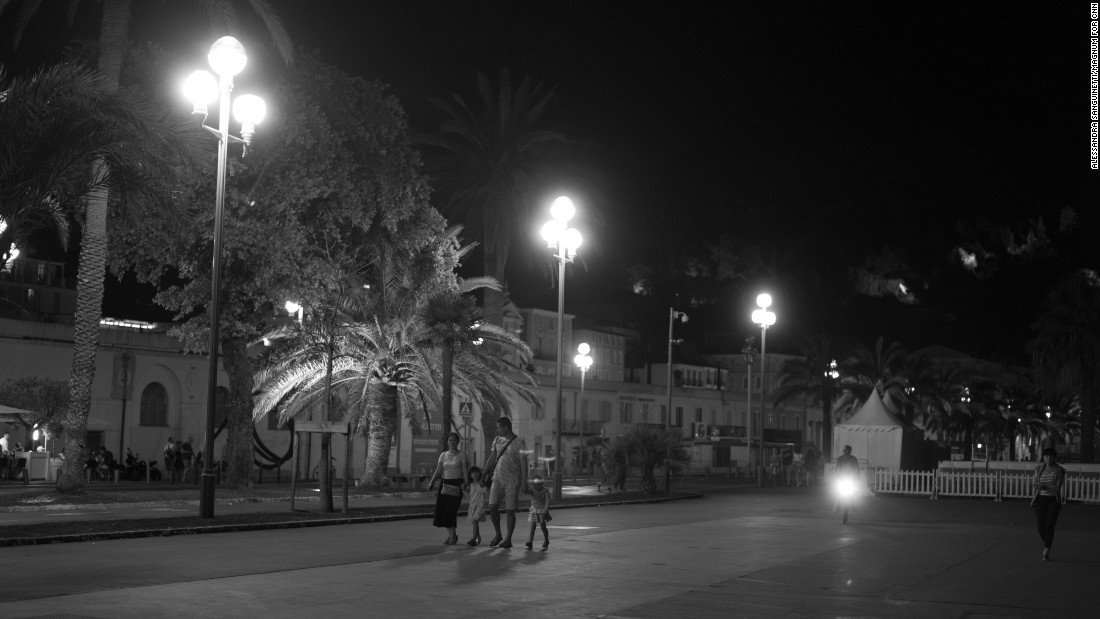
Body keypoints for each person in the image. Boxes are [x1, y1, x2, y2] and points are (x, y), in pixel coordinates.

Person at [483, 416, 528, 548]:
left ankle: (508, 539)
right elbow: (491, 459)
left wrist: (524, 482)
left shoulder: (520, 442)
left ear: (506, 427)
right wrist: (483, 475)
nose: (497, 430)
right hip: (496, 479)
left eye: (499, 427)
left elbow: (524, 464)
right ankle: (498, 534)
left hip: (512, 482)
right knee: (492, 507)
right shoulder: (497, 440)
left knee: (510, 511)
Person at [426, 432, 469, 545]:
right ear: (447, 442)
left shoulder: (462, 455)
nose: (452, 442)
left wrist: (466, 483)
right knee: (442, 511)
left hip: (457, 485)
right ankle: (452, 535)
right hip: (444, 485)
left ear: (458, 442)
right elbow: (439, 470)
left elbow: (465, 470)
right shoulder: (443, 455)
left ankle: (452, 535)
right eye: (450, 440)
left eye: (454, 440)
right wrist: (432, 482)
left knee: (451, 511)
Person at [1031, 447, 1066, 561]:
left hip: (1053, 500)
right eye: (1046, 456)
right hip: (1041, 499)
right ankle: (1048, 542)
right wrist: (1037, 486)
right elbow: (1035, 483)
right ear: (1043, 457)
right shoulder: (1039, 469)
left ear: (1054, 457)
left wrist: (1044, 485)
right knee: (1041, 527)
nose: (1048, 458)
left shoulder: (1059, 470)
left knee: (1049, 525)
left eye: (1051, 456)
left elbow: (1057, 487)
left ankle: (1047, 548)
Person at [525, 474, 551, 550]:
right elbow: (525, 491)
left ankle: (546, 540)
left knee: (543, 526)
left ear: (541, 483)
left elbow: (547, 501)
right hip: (534, 510)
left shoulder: (545, 491)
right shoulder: (532, 490)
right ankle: (530, 541)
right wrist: (524, 482)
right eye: (535, 484)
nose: (537, 486)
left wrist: (546, 509)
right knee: (533, 526)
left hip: (542, 510)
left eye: (538, 484)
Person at [465, 466, 488, 546]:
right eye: (473, 473)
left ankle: (473, 539)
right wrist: (464, 491)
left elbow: (486, 493)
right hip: (472, 507)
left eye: (477, 472)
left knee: (475, 521)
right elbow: (469, 496)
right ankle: (478, 536)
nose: (475, 474)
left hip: (480, 506)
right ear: (470, 475)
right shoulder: (470, 485)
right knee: (475, 522)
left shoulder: (482, 484)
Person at [834, 445, 860, 512]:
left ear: (850, 452)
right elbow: (836, 468)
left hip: (850, 478)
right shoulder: (840, 458)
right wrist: (836, 476)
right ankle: (838, 505)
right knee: (838, 492)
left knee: (852, 492)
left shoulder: (853, 459)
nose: (846, 452)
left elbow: (857, 468)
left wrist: (857, 476)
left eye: (847, 451)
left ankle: (852, 504)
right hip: (841, 478)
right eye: (845, 451)